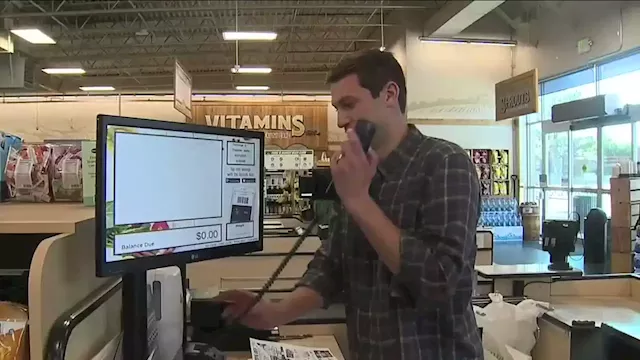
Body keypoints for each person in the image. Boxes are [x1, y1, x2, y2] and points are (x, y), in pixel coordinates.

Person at [216, 49, 484, 360]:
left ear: (389, 94)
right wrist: (274, 313)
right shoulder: (358, 174)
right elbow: (332, 266)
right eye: (337, 108)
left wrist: (358, 200)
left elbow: (441, 284)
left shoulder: (446, 164)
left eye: (349, 105)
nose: (342, 120)